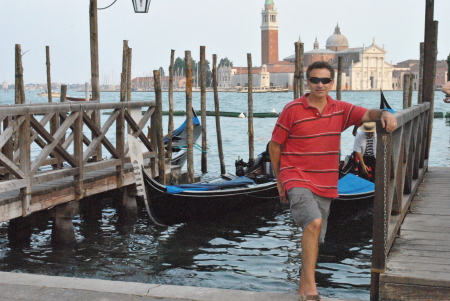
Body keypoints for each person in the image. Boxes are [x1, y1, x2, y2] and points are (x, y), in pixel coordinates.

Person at [269, 61, 397, 301]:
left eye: (325, 80)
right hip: (295, 174)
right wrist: (279, 181)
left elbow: (368, 114)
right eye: (315, 80)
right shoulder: (292, 109)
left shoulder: (340, 109)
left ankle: (302, 285)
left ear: (332, 83)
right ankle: (311, 287)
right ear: (307, 82)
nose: (320, 84)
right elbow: (275, 145)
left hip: (326, 181)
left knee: (315, 233)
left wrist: (386, 113)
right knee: (314, 222)